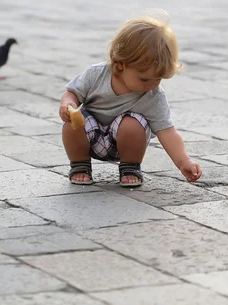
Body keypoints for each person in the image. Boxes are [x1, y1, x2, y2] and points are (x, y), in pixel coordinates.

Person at [58, 11, 202, 187]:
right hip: (89, 138)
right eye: (144, 79)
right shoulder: (96, 75)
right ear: (120, 64)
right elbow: (72, 93)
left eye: (159, 79)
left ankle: (130, 167)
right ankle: (79, 165)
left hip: (125, 146)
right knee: (71, 124)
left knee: (133, 124)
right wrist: (68, 104)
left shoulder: (153, 96)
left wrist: (183, 161)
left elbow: (168, 132)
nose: (152, 85)